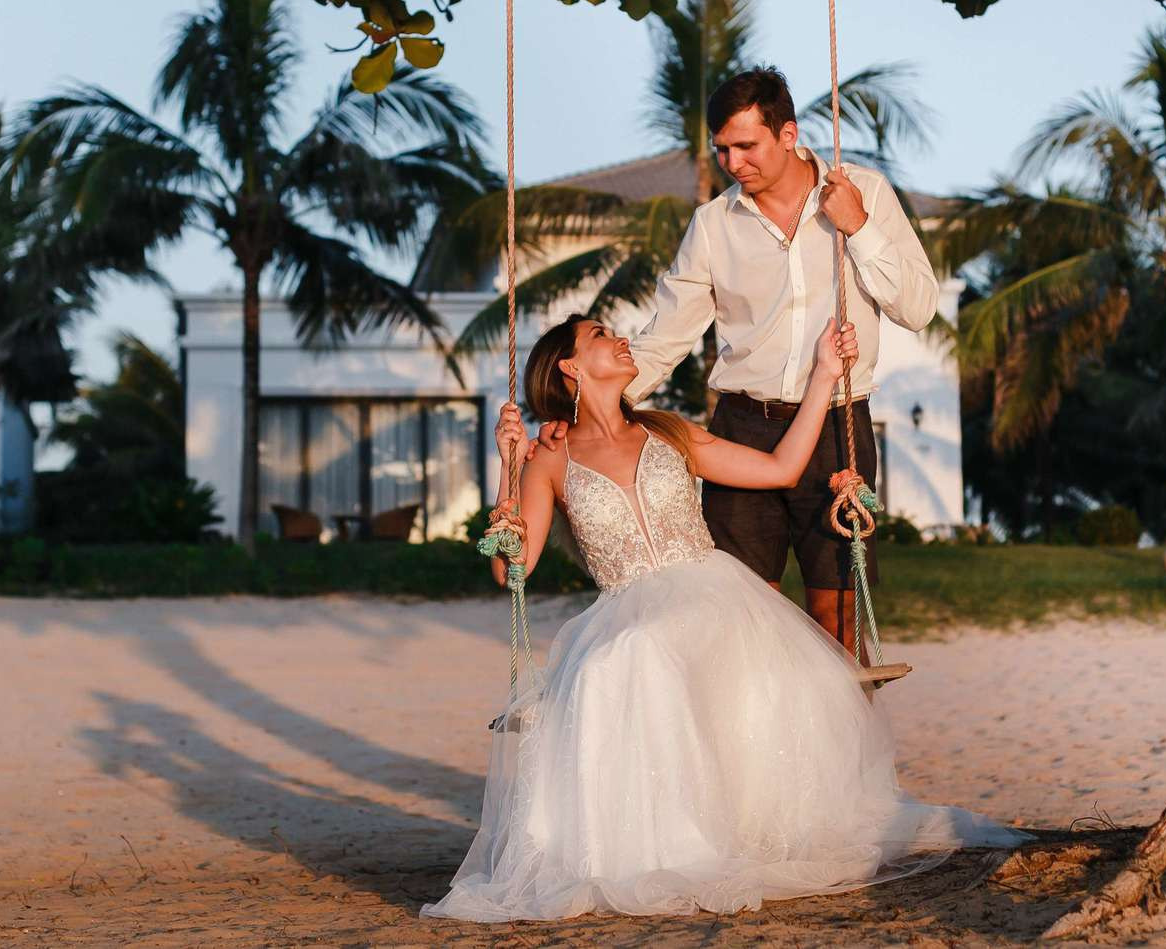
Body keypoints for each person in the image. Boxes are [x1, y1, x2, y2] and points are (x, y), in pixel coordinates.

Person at [421, 315, 1019, 922]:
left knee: (637, 653)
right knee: (616, 660)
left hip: (712, 595)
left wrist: (822, 376)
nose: (620, 337)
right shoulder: (552, 458)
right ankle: (653, 846)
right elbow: (510, 572)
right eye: (600, 334)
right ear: (570, 367)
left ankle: (712, 832)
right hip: (625, 611)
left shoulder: (671, 433)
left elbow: (781, 468)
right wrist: (509, 466)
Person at [539, 66, 939, 656]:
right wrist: (583, 413)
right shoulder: (712, 224)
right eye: (722, 149)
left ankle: (843, 748)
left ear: (787, 134)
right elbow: (664, 339)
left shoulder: (865, 193)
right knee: (742, 611)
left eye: (745, 145)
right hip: (743, 425)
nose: (732, 162)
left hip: (837, 426)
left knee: (838, 612)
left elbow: (918, 308)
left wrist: (855, 227)